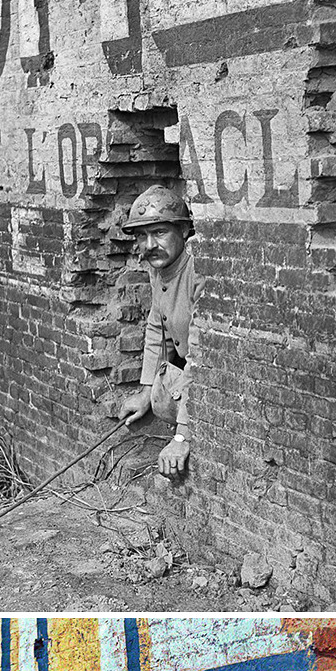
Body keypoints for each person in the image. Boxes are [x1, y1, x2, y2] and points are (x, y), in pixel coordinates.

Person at [119, 186, 203, 479]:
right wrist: (146, 393)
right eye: (142, 236)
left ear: (182, 230)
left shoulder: (198, 269)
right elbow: (157, 326)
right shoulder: (159, 267)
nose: (149, 244)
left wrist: (182, 436)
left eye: (159, 233)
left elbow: (201, 358)